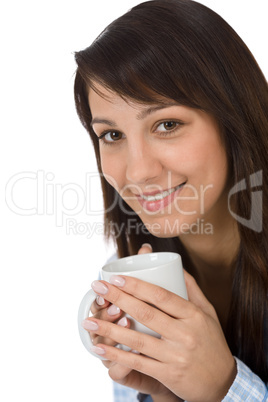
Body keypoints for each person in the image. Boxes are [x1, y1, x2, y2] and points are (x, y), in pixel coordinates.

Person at [74, 0, 268, 400]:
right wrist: (164, 393)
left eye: (167, 124)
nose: (137, 171)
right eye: (112, 135)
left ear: (233, 120)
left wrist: (224, 389)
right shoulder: (129, 276)